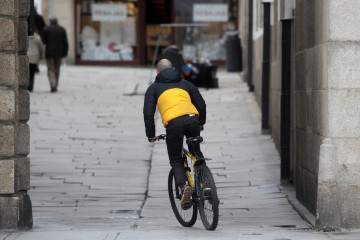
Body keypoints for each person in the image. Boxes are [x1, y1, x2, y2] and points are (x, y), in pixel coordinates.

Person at [143, 59, 206, 209]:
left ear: (157, 72)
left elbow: (148, 114)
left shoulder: (154, 88)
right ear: (174, 69)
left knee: (176, 158)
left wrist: (151, 134)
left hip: (174, 123)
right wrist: (201, 122)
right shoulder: (186, 84)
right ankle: (205, 183)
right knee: (195, 151)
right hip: (192, 119)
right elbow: (201, 104)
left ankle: (184, 187)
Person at [41, 16, 68, 92]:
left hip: (49, 52)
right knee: (57, 69)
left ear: (50, 21)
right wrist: (65, 52)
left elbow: (43, 41)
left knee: (50, 69)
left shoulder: (46, 29)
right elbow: (65, 42)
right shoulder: (62, 29)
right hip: (59, 53)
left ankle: (53, 84)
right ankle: (56, 84)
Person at [27, 28, 44, 92]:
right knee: (32, 73)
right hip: (34, 57)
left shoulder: (26, 37)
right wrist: (41, 56)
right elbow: (41, 47)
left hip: (27, 56)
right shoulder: (38, 38)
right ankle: (31, 86)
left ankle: (27, 85)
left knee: (26, 72)